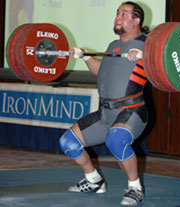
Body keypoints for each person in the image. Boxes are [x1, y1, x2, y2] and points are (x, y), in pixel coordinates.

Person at [59, 1, 150, 206]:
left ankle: (135, 188)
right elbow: (100, 70)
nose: (118, 17)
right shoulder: (113, 46)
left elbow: (161, 65)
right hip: (105, 114)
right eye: (117, 13)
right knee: (68, 142)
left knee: (116, 140)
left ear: (136, 20)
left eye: (124, 14)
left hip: (132, 111)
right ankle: (94, 181)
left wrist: (145, 56)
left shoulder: (147, 44)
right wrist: (86, 57)